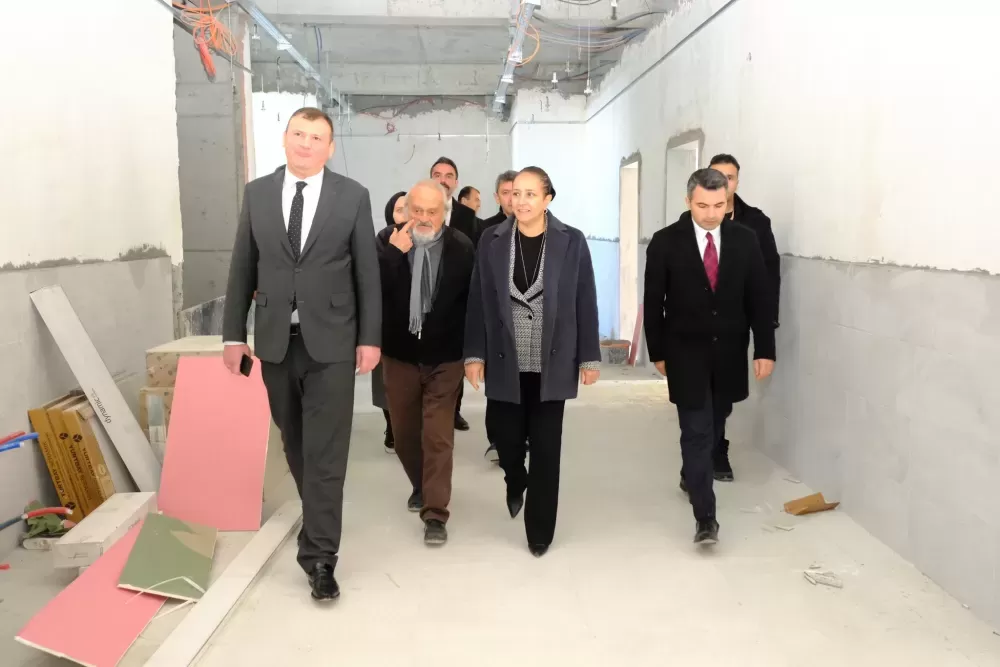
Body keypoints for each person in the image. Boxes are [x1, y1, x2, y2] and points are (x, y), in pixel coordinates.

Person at [221, 107, 381, 601]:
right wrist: (232, 334)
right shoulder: (258, 194)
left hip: (333, 343)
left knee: (326, 451)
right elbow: (243, 266)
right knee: (295, 443)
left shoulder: (352, 196)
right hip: (276, 341)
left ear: (329, 148)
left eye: (316, 137)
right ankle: (317, 521)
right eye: (298, 134)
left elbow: (367, 273)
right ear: (285, 139)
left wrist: (370, 337)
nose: (306, 143)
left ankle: (320, 558)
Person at [464, 166, 601, 557]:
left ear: (547, 199)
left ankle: (539, 531)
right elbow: (478, 299)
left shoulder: (571, 241)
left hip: (551, 360)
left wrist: (589, 357)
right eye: (515, 194)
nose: (520, 201)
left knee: (546, 446)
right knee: (506, 438)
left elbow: (585, 299)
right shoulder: (491, 239)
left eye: (530, 194)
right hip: (505, 357)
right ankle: (514, 477)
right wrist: (474, 354)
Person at [642, 168, 775, 546]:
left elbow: (759, 298)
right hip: (685, 352)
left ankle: (691, 473)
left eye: (719, 205)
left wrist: (765, 349)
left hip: (730, 351)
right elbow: (653, 301)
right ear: (688, 201)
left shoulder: (745, 240)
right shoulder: (666, 242)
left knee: (716, 422)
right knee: (696, 431)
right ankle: (706, 518)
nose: (711, 213)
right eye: (703, 205)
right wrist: (658, 350)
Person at [376, 180, 475, 546]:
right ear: (405, 210)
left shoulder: (461, 247)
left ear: (444, 213)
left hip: (445, 357)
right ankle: (421, 484)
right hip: (399, 354)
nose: (423, 218)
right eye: (416, 210)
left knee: (437, 435)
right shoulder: (386, 241)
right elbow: (370, 289)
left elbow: (472, 303)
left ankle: (435, 513)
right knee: (404, 434)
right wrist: (393, 254)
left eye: (431, 212)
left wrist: (473, 354)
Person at [702, 153, 781, 482]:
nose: (723, 182)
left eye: (730, 177)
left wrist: (766, 331)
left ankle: (716, 446)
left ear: (737, 181)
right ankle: (699, 455)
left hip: (734, 324)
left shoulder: (756, 223)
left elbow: (768, 278)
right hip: (697, 323)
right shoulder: (692, 220)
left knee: (723, 393)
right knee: (699, 391)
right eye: (717, 176)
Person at [430, 157, 479, 431]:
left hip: (458, 296)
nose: (443, 179)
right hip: (425, 295)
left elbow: (474, 255)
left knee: (455, 359)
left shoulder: (467, 217)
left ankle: (454, 410)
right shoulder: (419, 207)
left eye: (448, 175)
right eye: (437, 174)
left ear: (456, 182)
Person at [478, 169, 519, 463]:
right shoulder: (486, 231)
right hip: (495, 318)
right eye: (506, 193)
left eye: (517, 192)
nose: (512, 199)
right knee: (498, 384)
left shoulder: (539, 229)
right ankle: (496, 438)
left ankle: (522, 437)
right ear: (497, 197)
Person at [372, 191, 407, 454]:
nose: (404, 214)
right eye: (398, 209)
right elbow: (375, 278)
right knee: (385, 382)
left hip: (417, 324)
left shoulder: (427, 236)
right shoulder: (383, 238)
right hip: (386, 321)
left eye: (409, 208)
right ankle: (391, 427)